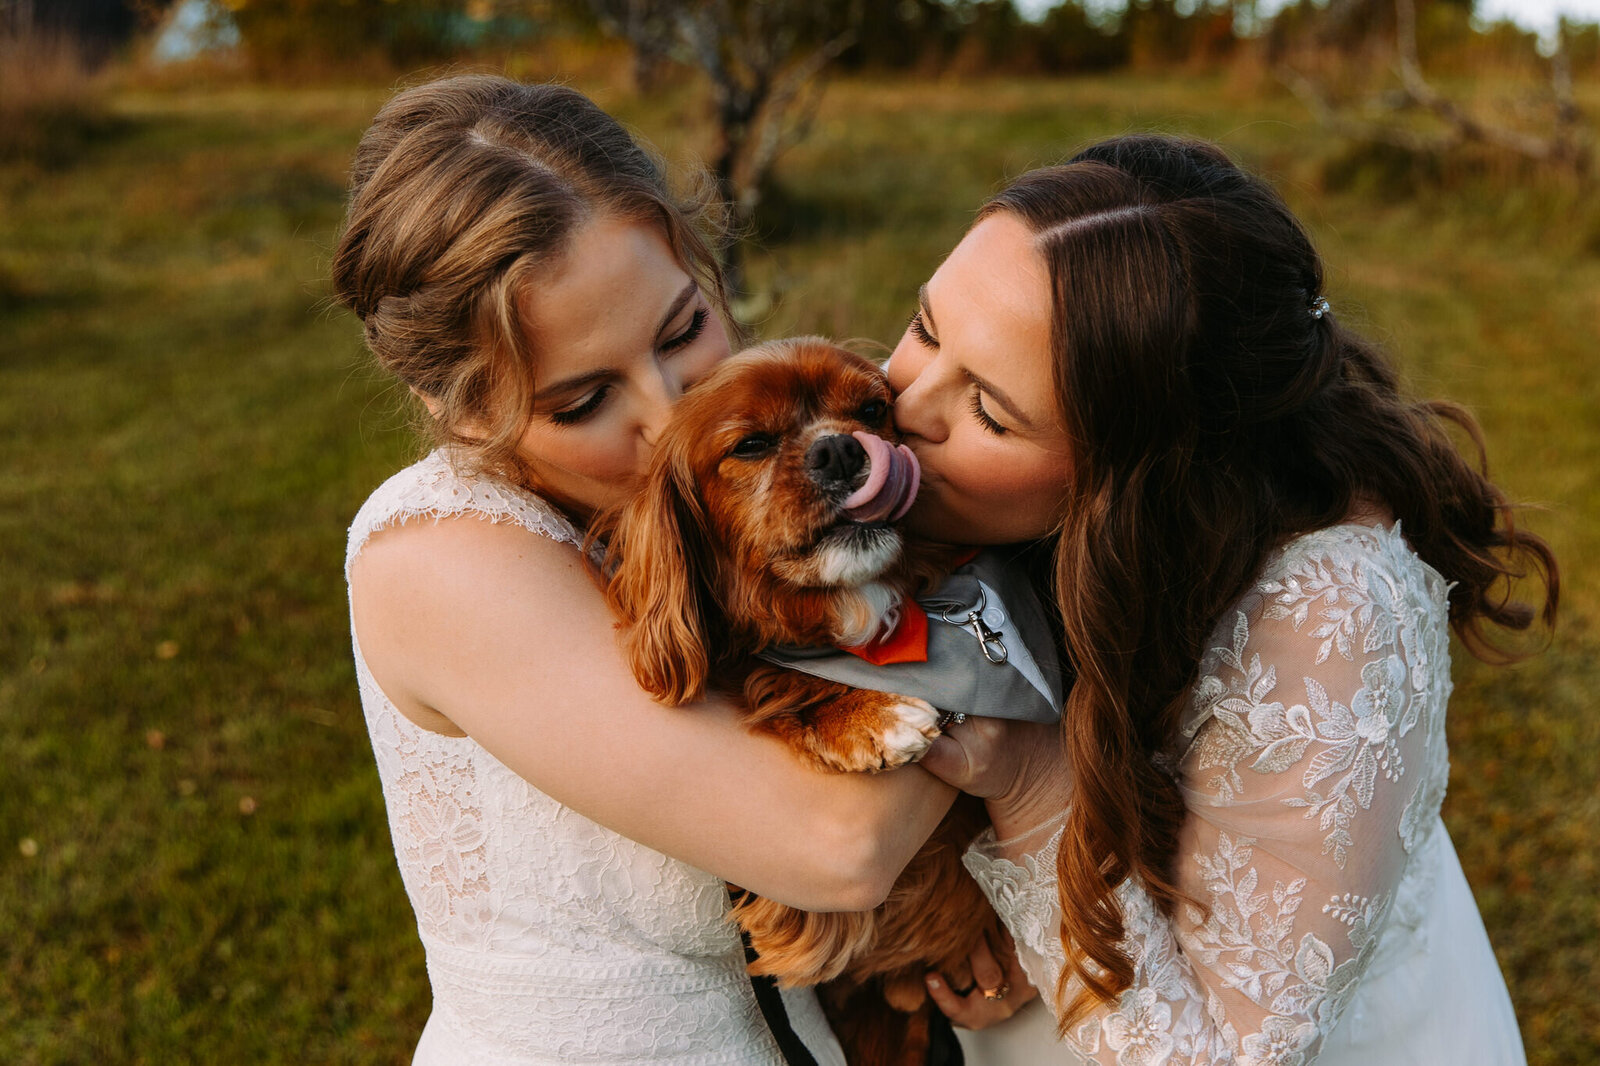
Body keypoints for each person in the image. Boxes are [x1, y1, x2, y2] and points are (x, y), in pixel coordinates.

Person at [331, 74, 975, 1064]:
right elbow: (835, 844)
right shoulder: (439, 559)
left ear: (698, 256)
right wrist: (1004, 592)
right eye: (585, 399)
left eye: (681, 331)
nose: (670, 411)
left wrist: (946, 916)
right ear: (459, 405)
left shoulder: (737, 476)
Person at [889, 135, 1557, 1064]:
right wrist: (966, 912)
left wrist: (1035, 789)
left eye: (991, 413)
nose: (901, 402)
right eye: (925, 327)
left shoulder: (1334, 617)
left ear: (1141, 477)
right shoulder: (989, 497)